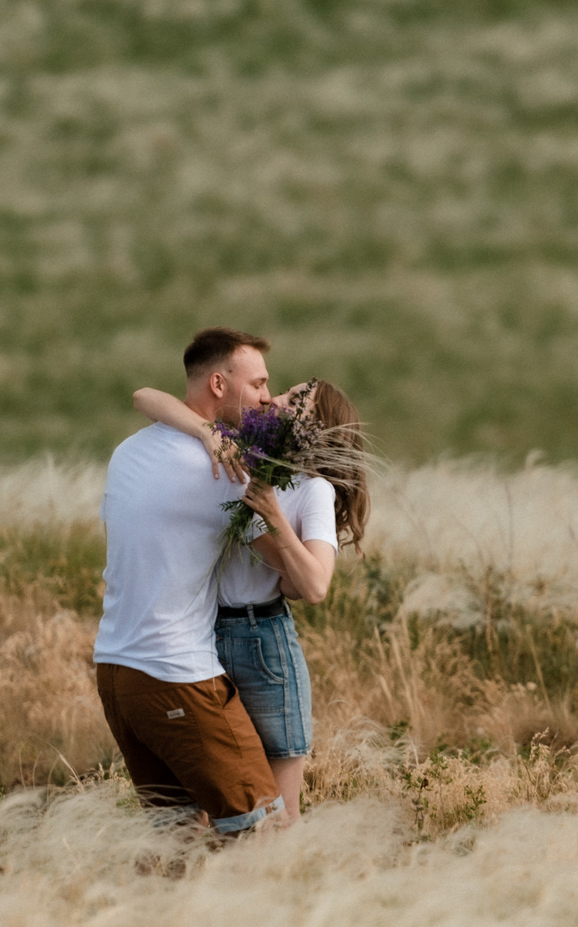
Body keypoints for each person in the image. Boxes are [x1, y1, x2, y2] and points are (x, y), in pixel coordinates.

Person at [131, 378, 371, 826]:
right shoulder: (236, 454)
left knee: (278, 813)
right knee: (210, 802)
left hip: (262, 643)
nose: (274, 399)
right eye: (282, 391)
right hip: (198, 636)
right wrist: (206, 432)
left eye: (294, 401)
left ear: (314, 427)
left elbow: (314, 587)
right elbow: (145, 397)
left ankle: (278, 892)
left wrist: (272, 515)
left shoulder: (312, 489)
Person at [91, 328, 287, 835]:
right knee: (262, 830)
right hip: (175, 672)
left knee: (179, 842)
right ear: (219, 384)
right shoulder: (220, 470)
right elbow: (290, 571)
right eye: (259, 383)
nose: (267, 396)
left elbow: (146, 397)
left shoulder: (129, 451)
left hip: (116, 672)